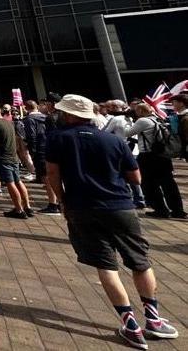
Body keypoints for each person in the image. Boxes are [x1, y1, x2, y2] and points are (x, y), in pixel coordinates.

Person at [47, 94, 179, 349]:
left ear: (70, 115)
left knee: (106, 265)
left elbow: (53, 173)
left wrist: (63, 201)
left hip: (81, 207)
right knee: (140, 261)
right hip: (119, 205)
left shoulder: (58, 139)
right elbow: (136, 178)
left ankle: (129, 323)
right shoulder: (112, 140)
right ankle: (152, 317)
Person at [127, 103, 186, 219]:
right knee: (169, 184)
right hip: (163, 155)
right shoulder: (159, 119)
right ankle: (178, 210)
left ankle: (160, 209)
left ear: (139, 111)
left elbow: (127, 133)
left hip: (148, 155)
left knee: (149, 184)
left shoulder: (143, 121)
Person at [0, 101, 32, 218]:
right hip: (12, 156)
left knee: (10, 183)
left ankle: (19, 210)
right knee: (18, 181)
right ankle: (27, 207)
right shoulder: (9, 122)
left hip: (3, 157)